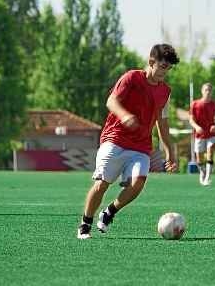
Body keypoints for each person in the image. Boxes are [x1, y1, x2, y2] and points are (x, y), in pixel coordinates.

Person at [77, 43, 180, 239]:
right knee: (102, 184)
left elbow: (162, 122)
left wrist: (169, 151)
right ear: (151, 62)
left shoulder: (165, 91)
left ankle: (110, 211)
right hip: (114, 139)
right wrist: (124, 115)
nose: (165, 72)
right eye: (163, 67)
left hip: (141, 146)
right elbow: (111, 102)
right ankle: (85, 224)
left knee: (138, 182)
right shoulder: (131, 78)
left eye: (169, 68)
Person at [189, 82, 215, 186]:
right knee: (199, 158)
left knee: (210, 152)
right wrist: (197, 127)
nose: (208, 92)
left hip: (211, 134)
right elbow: (191, 120)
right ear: (202, 91)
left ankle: (208, 178)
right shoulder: (195, 104)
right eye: (206, 90)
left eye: (210, 90)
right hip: (199, 135)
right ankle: (202, 171)